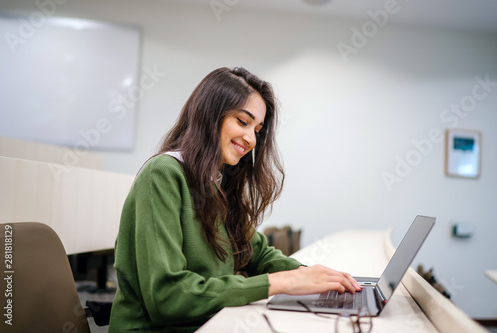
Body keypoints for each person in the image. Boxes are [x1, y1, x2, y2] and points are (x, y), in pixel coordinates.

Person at [108, 67, 361, 332]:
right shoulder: (163, 174)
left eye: (257, 129)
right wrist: (282, 282)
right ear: (209, 116)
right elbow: (168, 297)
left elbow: (258, 253)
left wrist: (311, 276)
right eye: (242, 122)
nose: (251, 138)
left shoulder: (218, 184)